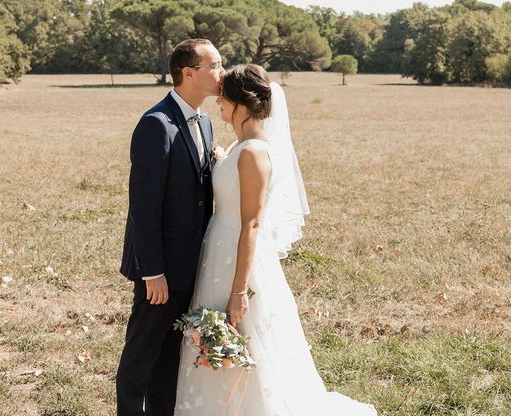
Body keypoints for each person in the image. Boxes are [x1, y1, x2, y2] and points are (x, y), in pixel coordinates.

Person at [174, 64, 377, 415]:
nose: (217, 100)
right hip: (219, 255)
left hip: (240, 261)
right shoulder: (242, 147)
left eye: (223, 95)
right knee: (219, 337)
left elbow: (251, 223)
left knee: (245, 336)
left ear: (240, 102)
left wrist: (239, 291)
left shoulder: (253, 152)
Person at [117, 39, 224, 416]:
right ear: (189, 73)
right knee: (139, 361)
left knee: (168, 364)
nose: (221, 72)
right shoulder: (155, 124)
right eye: (215, 65)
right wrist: (153, 272)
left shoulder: (206, 122)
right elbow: (143, 208)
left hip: (192, 267)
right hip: (160, 273)